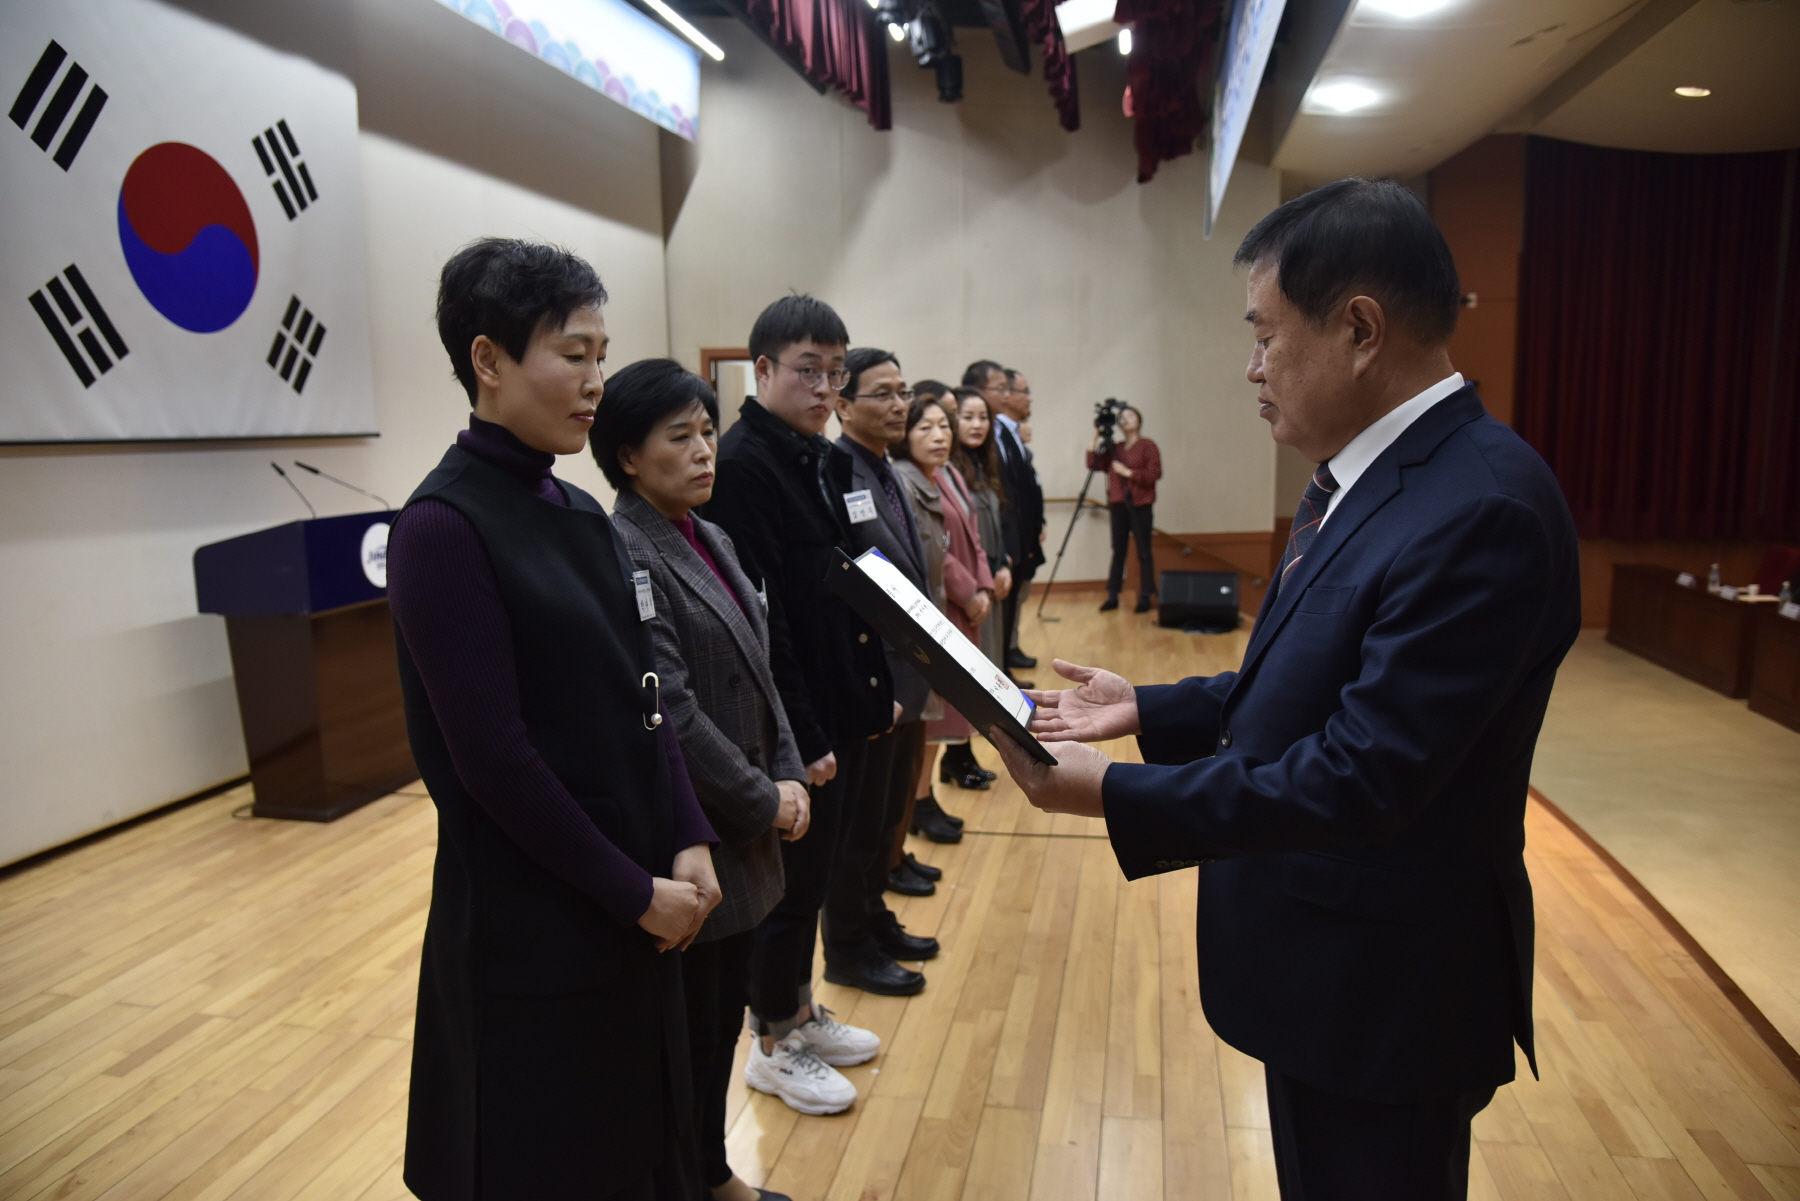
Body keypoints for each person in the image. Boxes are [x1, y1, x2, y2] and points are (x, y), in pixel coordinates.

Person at [989, 179, 1581, 1200]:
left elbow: (1365, 775)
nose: (1251, 368)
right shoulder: (1371, 475)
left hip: (1386, 993)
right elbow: (1319, 674)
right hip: (1329, 971)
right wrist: (1155, 709)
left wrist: (1112, 791)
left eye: (1266, 336)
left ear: (1359, 328)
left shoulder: (1481, 507)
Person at [390, 238, 721, 1200]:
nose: (594, 382)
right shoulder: (444, 528)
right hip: (534, 920)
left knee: (639, 1148)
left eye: (600, 354)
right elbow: (494, 763)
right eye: (572, 354)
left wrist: (690, 832)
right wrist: (633, 890)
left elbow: (644, 698)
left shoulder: (579, 514)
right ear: (487, 361)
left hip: (629, 898)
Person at [596, 358, 820, 1195]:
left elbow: (761, 673)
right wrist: (765, 797)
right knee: (684, 1042)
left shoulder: (710, 532)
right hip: (696, 833)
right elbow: (674, 712)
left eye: (707, 432)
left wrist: (791, 769)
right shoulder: (624, 549)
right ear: (626, 455)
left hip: (747, 828)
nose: (703, 451)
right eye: (678, 436)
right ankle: (690, 1178)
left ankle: (712, 1172)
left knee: (719, 1024)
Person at [697, 296, 891, 1115]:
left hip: (841, 696)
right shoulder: (743, 464)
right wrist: (802, 737)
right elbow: (759, 620)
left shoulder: (822, 457)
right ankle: (772, 1038)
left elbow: (851, 580)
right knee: (787, 884)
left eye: (835, 372)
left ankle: (800, 1010)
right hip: (787, 719)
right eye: (807, 370)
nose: (824, 388)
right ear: (764, 370)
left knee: (815, 877)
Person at [822, 347, 943, 995]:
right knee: (858, 825)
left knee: (887, 812)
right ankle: (847, 946)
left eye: (903, 392)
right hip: (875, 678)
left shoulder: (889, 468)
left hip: (907, 672)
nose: (900, 404)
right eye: (884, 393)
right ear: (843, 405)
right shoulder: (836, 470)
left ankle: (872, 917)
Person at [892, 391, 995, 855]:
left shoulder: (948, 472)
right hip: (941, 607)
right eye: (925, 428)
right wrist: (970, 591)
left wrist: (986, 584)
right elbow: (937, 550)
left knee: (945, 715)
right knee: (931, 718)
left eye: (943, 427)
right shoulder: (904, 479)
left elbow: (971, 535)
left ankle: (924, 798)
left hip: (964, 604)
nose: (939, 436)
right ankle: (918, 804)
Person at [964, 360, 1043, 684]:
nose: (1007, 394)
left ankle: (1003, 671)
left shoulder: (1001, 437)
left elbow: (1015, 489)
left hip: (1009, 539)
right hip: (991, 545)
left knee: (1007, 610)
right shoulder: (980, 443)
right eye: (1001, 388)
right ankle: (995, 676)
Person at [1087, 405, 1163, 613]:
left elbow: (1154, 473)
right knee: (1118, 551)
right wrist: (1096, 435)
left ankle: (1145, 595)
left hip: (1141, 505)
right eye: (1122, 417)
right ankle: (1113, 595)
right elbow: (1093, 464)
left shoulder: (1147, 445)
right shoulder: (1116, 449)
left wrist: (1129, 473)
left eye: (1130, 415)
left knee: (1143, 551)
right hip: (1118, 505)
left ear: (1139, 421)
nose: (1125, 419)